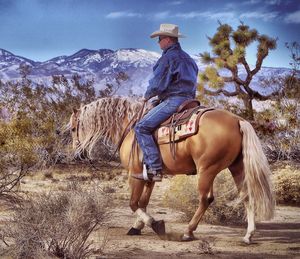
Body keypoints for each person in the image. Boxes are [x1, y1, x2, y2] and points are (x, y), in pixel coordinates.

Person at [134, 23, 198, 182]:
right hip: (191, 100)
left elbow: (157, 83)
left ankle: (153, 168)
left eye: (160, 39)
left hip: (174, 100)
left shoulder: (168, 58)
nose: (158, 42)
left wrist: (147, 96)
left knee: (141, 127)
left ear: (168, 40)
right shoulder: (189, 59)